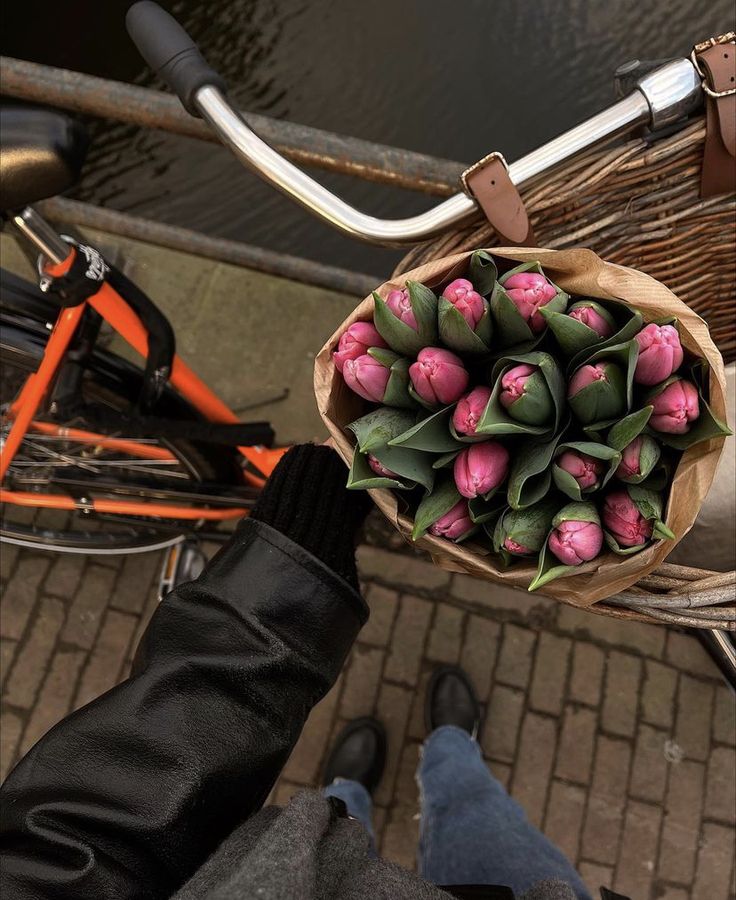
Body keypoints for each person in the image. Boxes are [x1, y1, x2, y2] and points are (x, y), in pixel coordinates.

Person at [0, 445, 603, 900]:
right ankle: (451, 752)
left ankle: (347, 794)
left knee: (328, 818)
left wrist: (268, 608)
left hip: (299, 868)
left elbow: (79, 856)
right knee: (473, 803)